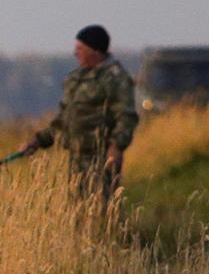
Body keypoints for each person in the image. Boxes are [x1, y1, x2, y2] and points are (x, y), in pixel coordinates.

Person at [22, 25, 141, 206]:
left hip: (101, 159)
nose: (75, 53)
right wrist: (38, 141)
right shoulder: (75, 79)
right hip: (76, 159)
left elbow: (126, 116)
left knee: (102, 209)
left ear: (95, 50)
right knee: (77, 211)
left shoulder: (116, 78)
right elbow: (63, 120)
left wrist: (116, 147)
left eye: (80, 49)